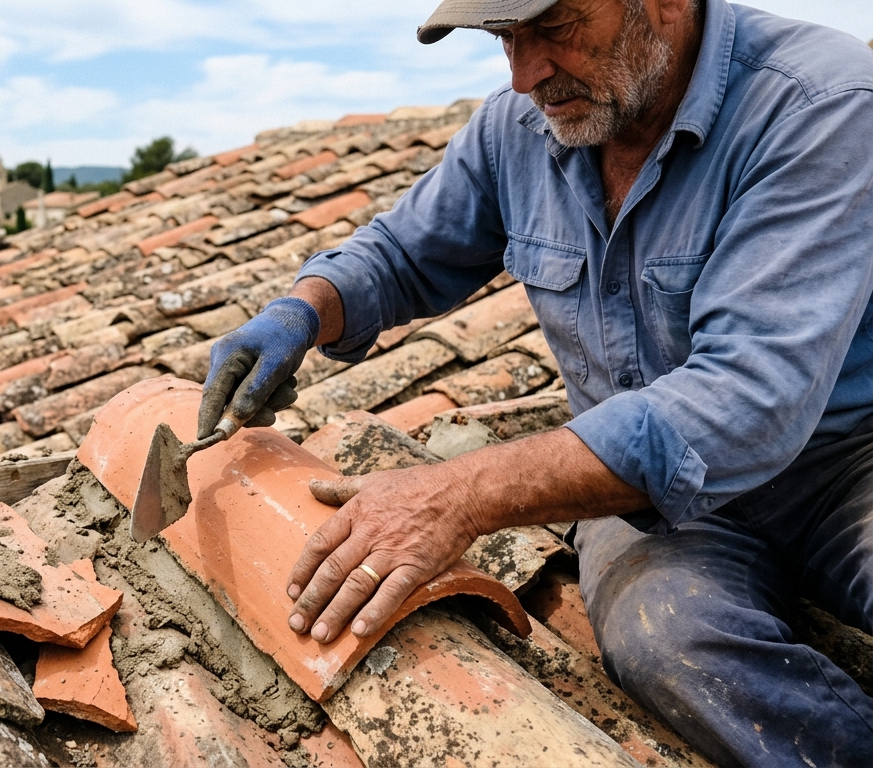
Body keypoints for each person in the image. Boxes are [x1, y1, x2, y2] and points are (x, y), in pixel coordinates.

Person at [196, 0, 873, 762]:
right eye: (505, 38)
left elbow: (748, 399)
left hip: (843, 463)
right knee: (670, 643)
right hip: (631, 489)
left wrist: (457, 496)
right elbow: (402, 252)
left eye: (554, 30)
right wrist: (303, 309)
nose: (525, 76)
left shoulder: (823, 103)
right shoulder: (518, 129)